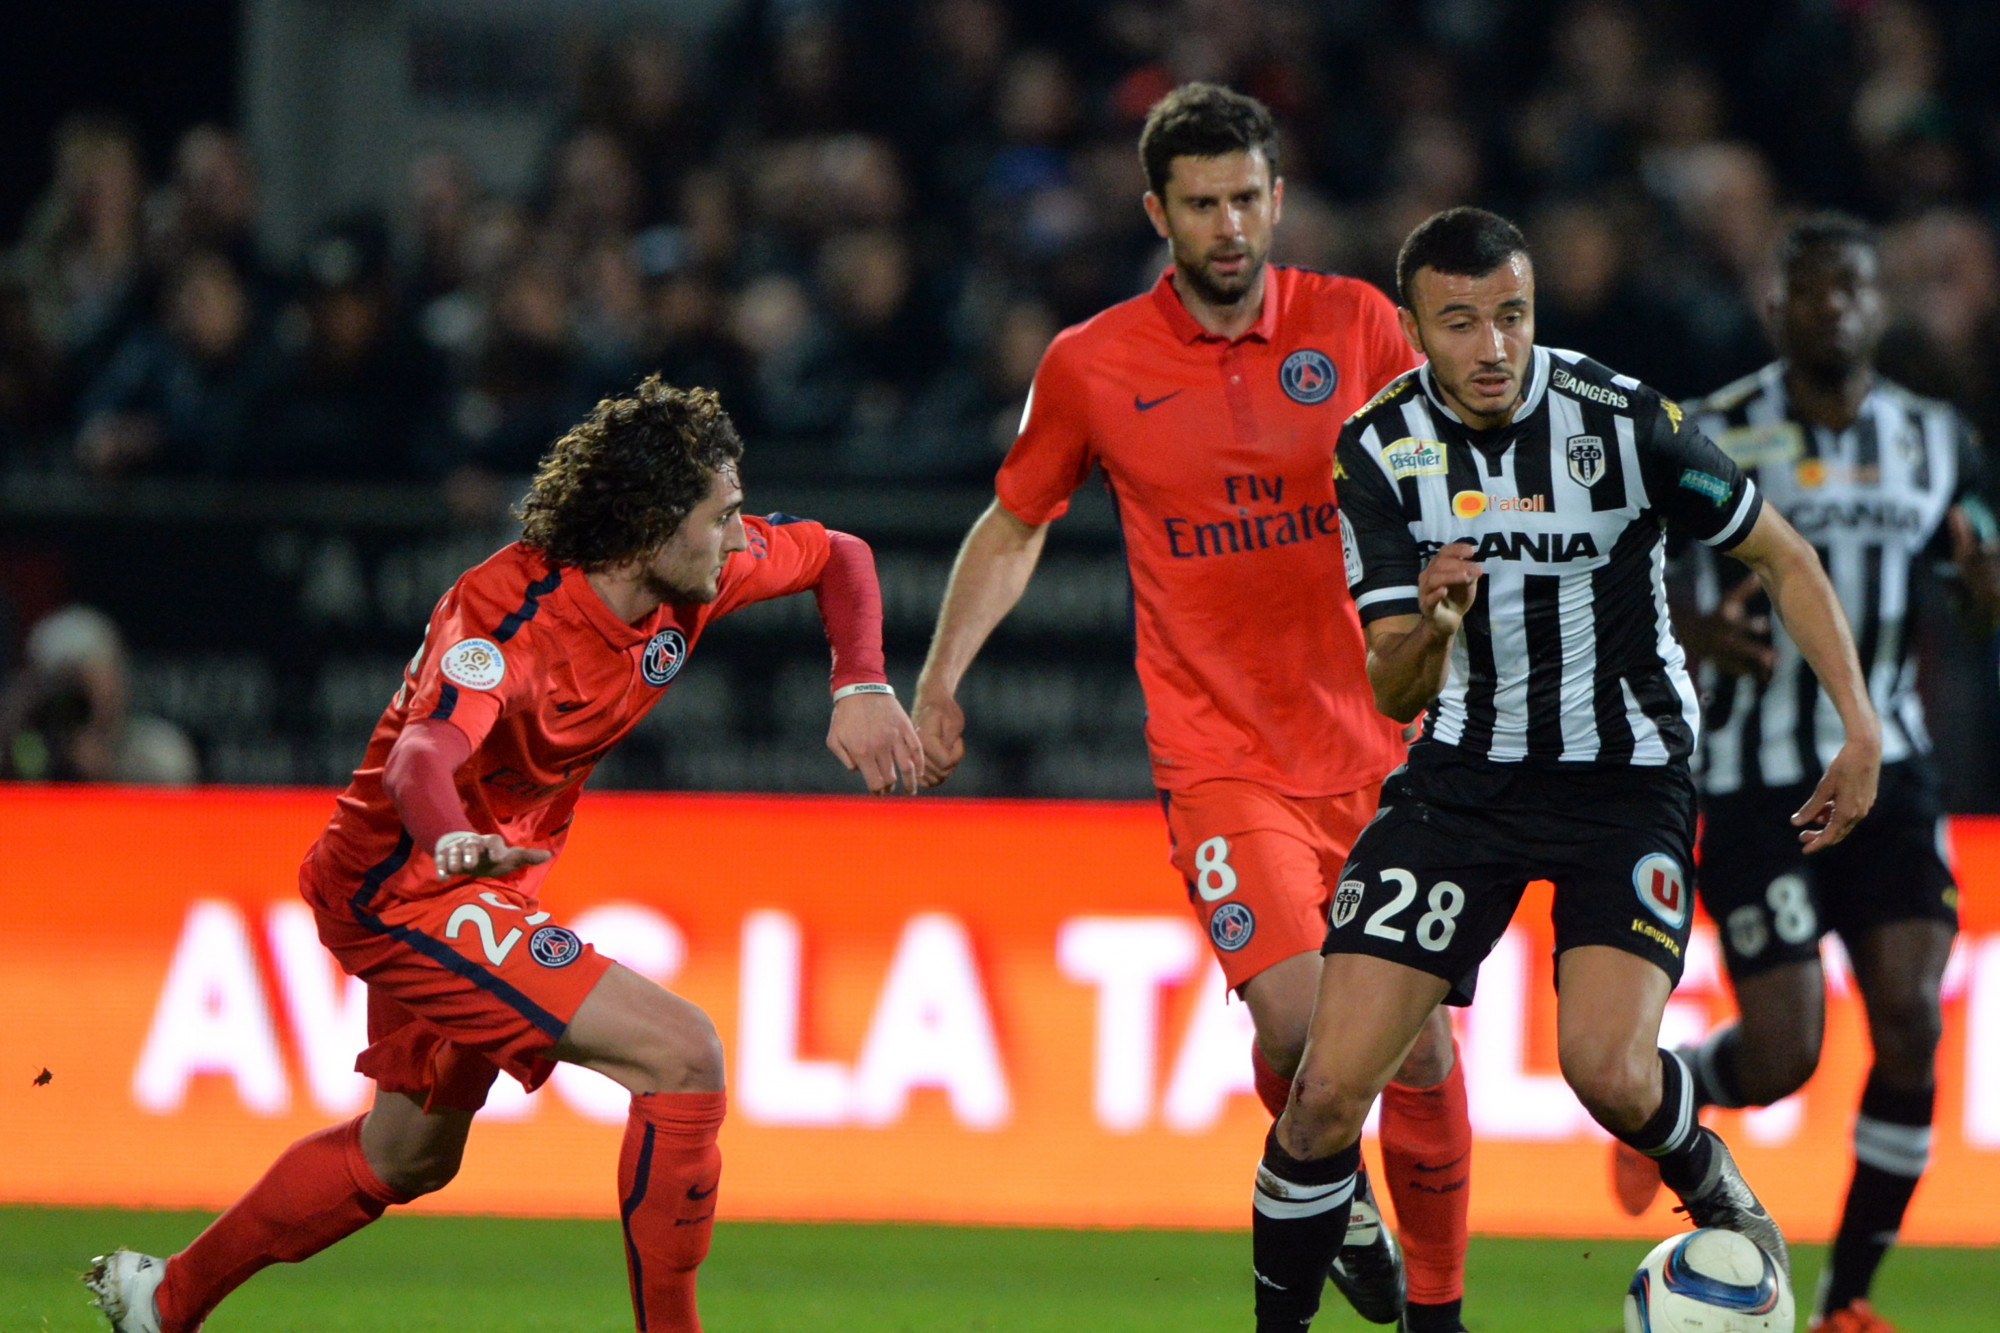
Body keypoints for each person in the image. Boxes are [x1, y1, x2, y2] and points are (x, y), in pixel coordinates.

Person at [86, 376, 923, 1333]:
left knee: (407, 1154)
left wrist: (860, 681)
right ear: (651, 523)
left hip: (478, 873)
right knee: (682, 1056)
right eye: (723, 516)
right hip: (406, 887)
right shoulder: (508, 620)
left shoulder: (694, 573)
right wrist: (453, 842)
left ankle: (165, 1300)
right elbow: (421, 756)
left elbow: (840, 553)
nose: (740, 538)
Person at [1246, 206, 1882, 1332]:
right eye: (1459, 323)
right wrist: (1436, 626)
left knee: (1605, 1070)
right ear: (1411, 329)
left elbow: (1777, 553)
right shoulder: (1378, 451)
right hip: (1460, 781)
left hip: (1622, 780)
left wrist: (1858, 724)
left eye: (1510, 316)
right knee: (1322, 1096)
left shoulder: (1622, 422)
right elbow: (1394, 689)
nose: (1492, 347)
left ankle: (1711, 1183)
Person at [912, 84, 1475, 1333]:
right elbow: (1015, 523)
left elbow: (1461, 461)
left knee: (1423, 1053)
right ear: (1155, 210)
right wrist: (940, 679)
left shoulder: (1359, 325)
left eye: (1245, 199)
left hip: (1387, 751)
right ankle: (1342, 1196)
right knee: (1299, 1017)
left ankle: (1433, 1309)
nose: (1228, 225)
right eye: (1201, 203)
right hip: (1220, 758)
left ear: (1275, 199)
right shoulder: (1090, 363)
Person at [1612, 213, 1999, 1333]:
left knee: (1912, 1020)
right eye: (1808, 291)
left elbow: (1976, 576)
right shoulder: (1714, 429)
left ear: (1879, 306)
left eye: (1851, 289)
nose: (1831, 307)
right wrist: (1696, 628)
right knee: (1784, 1054)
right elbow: (1634, 583)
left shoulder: (1938, 440)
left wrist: (1983, 589)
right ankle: (1679, 1081)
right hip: (1751, 779)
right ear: (1773, 308)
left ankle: (1845, 1298)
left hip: (1891, 771)